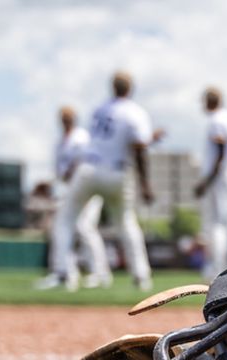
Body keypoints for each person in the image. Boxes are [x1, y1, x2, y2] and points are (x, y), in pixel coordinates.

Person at [63, 71, 158, 291]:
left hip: (89, 169)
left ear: (112, 87)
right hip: (117, 172)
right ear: (130, 89)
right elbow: (139, 148)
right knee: (126, 223)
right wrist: (145, 183)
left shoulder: (100, 109)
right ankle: (141, 275)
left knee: (67, 220)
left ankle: (64, 272)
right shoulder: (135, 112)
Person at [35, 106, 97, 291]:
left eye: (68, 118)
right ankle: (65, 272)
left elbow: (86, 161)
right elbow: (59, 171)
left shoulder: (81, 137)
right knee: (62, 229)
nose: (65, 121)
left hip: (84, 187)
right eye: (63, 118)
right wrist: (49, 184)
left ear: (74, 119)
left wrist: (72, 172)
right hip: (67, 190)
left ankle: (96, 272)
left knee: (84, 228)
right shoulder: (59, 142)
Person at [194, 86, 227, 281]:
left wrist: (206, 182)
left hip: (220, 177)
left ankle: (216, 268)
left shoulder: (217, 120)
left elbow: (220, 151)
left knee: (218, 224)